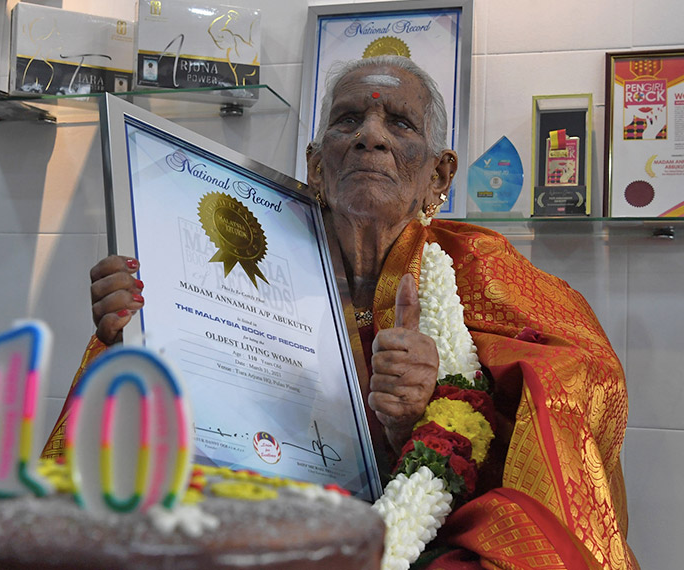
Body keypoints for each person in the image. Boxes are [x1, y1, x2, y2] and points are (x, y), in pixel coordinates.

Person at [43, 55, 638, 569]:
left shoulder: (481, 274)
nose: (369, 137)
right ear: (315, 164)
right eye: (347, 120)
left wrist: (420, 416)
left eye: (397, 122)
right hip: (238, 510)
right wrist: (135, 334)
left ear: (440, 174)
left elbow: (566, 415)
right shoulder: (244, 251)